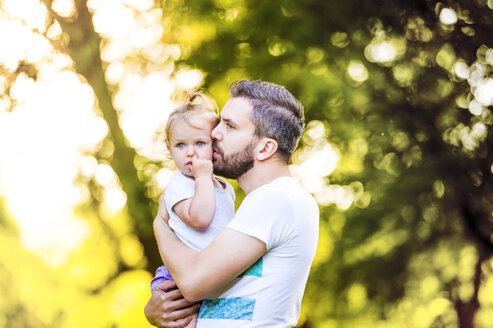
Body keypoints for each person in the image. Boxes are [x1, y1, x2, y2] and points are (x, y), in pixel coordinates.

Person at [145, 80, 319, 328]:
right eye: (219, 122)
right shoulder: (254, 204)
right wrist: (161, 310)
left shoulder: (277, 199)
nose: (214, 133)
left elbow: (193, 283)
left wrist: (161, 224)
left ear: (265, 148)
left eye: (230, 126)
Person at [149, 93, 236, 328]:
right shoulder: (180, 185)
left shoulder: (224, 188)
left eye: (200, 143)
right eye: (180, 145)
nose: (190, 152)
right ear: (169, 150)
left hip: (208, 274)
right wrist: (203, 177)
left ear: (214, 145)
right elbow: (200, 218)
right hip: (178, 278)